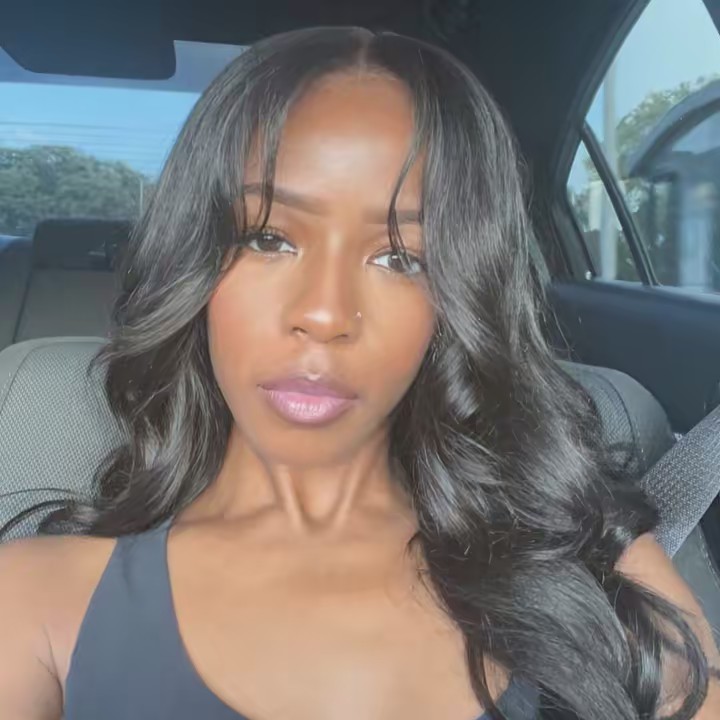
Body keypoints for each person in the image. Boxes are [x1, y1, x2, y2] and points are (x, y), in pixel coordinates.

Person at [0, 27, 718, 720]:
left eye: (400, 258)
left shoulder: (595, 571)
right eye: (268, 238)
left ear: (457, 301)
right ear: (195, 263)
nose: (323, 313)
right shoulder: (38, 599)